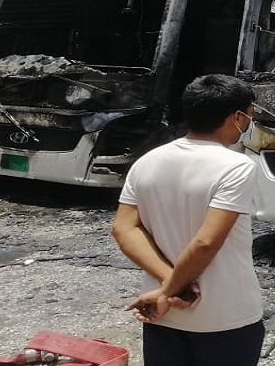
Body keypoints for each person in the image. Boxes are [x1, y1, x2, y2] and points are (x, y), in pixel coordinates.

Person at [112, 74, 266, 366]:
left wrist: (167, 287)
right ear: (236, 117)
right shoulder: (236, 166)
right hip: (225, 316)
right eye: (249, 116)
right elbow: (206, 242)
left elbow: (123, 228)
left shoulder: (147, 161)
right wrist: (172, 289)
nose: (248, 123)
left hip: (163, 315)